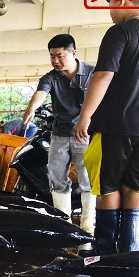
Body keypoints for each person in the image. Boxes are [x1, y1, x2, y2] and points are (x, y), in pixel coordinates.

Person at [74, 0, 139, 254]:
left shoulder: (121, 32)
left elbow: (102, 76)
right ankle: (129, 252)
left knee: (108, 186)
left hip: (117, 124)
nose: (111, 13)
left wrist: (85, 116)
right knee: (137, 189)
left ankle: (103, 250)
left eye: (111, 5)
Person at [19, 34, 96, 232]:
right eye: (52, 56)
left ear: (73, 53)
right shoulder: (51, 77)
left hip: (85, 134)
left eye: (60, 56)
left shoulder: (93, 74)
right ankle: (64, 224)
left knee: (87, 179)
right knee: (57, 178)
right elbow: (40, 93)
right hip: (59, 135)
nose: (55, 61)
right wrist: (30, 109)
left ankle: (88, 225)